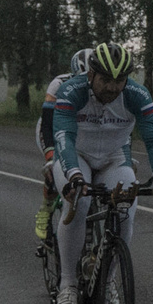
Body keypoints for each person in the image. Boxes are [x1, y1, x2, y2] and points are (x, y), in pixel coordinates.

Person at [45, 43, 153, 304]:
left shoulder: (136, 94)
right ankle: (67, 284)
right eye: (106, 80)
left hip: (114, 157)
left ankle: (108, 280)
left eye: (120, 80)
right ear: (91, 75)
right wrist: (74, 176)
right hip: (75, 154)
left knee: (127, 206)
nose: (113, 87)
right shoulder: (72, 91)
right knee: (78, 204)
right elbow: (64, 137)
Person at [34, 48, 93, 248]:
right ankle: (46, 209)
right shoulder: (58, 84)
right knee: (54, 169)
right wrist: (51, 156)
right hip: (53, 128)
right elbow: (48, 125)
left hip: (83, 131)